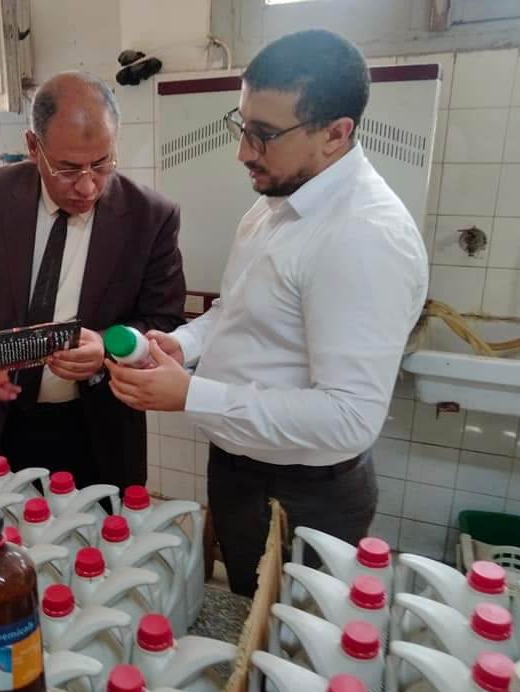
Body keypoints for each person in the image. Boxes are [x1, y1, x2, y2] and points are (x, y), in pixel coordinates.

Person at [106, 30, 429, 597]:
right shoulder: (275, 206)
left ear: (336, 133)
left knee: (288, 639)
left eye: (265, 134)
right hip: (243, 470)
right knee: (245, 615)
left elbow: (350, 416)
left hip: (304, 495)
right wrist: (187, 344)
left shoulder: (363, 236)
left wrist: (193, 395)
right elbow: (237, 310)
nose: (243, 151)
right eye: (242, 125)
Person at [0, 71, 186, 491]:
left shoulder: (150, 217)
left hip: (97, 430)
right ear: (33, 146)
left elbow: (165, 322)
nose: (87, 186)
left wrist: (106, 347)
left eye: (102, 164)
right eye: (67, 169)